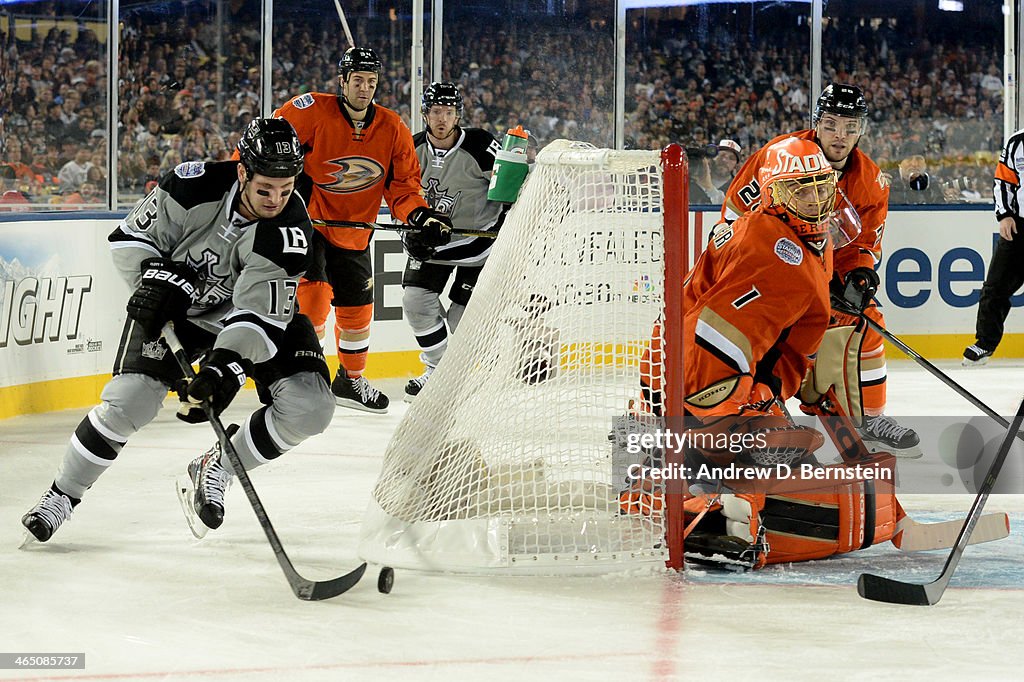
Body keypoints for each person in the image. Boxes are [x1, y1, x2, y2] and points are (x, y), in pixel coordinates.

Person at [21, 118, 336, 542]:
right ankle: (63, 495)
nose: (276, 199)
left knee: (311, 408)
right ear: (242, 171)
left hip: (243, 317)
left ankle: (218, 466)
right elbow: (129, 239)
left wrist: (223, 368)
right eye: (265, 188)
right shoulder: (192, 184)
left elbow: (259, 313)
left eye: (286, 188)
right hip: (180, 313)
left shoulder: (290, 231)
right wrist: (155, 277)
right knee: (130, 401)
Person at [718, 83, 920, 455]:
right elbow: (733, 216)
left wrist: (857, 275)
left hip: (819, 276)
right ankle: (759, 410)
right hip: (766, 270)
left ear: (862, 129)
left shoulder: (871, 182)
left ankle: (868, 418)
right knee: (768, 330)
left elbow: (864, 245)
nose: (839, 136)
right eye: (830, 124)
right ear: (816, 123)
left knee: (867, 321)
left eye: (849, 126)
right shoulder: (778, 155)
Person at [274, 46, 452, 414]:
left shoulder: (392, 127)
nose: (365, 88)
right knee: (313, 301)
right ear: (343, 81)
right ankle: (301, 377)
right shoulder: (310, 111)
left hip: (355, 232)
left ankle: (350, 381)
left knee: (358, 313)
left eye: (371, 81)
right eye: (358, 80)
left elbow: (403, 188)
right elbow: (266, 145)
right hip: (310, 225)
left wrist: (421, 217)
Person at [402, 82, 507, 401]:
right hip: (435, 242)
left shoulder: (480, 144)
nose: (442, 119)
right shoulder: (413, 146)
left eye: (449, 112)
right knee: (415, 303)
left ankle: (483, 368)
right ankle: (437, 370)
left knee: (462, 319)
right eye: (436, 112)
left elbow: (510, 189)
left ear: (458, 114)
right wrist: (410, 231)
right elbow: (400, 196)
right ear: (425, 114)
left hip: (478, 245)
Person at [963, 128, 1024, 366]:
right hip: (1019, 228)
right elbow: (1003, 181)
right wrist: (1005, 215)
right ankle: (985, 343)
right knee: (994, 288)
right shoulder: (1017, 142)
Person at [689, 139, 742, 206]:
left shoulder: (737, 188)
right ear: (712, 156)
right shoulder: (694, 179)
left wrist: (709, 188)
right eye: (722, 155)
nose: (724, 160)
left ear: (736, 165)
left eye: (731, 158)